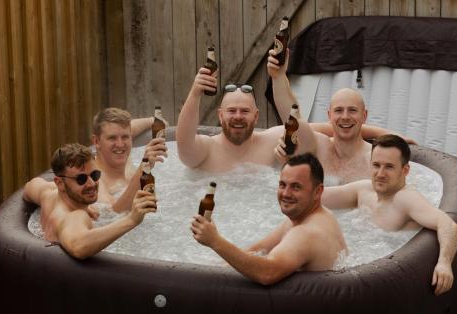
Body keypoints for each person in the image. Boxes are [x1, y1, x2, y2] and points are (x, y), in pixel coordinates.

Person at [321, 134, 457, 295]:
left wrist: (444, 263)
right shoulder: (363, 190)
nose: (380, 173)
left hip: (378, 280)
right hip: (354, 265)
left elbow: (449, 225)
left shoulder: (405, 199)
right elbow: (316, 197)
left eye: (389, 167)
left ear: (405, 170)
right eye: (376, 165)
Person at [191, 153, 347, 285]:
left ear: (318, 192)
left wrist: (215, 241)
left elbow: (267, 273)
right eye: (282, 185)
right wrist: (210, 269)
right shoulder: (314, 216)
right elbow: (259, 249)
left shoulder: (306, 233)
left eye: (296, 187)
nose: (286, 193)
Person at [269, 49, 415, 184]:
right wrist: (279, 76)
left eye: (352, 110)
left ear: (364, 116)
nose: (345, 117)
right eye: (338, 110)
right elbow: (293, 119)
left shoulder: (375, 159)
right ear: (329, 116)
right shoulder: (319, 147)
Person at [23, 143, 157, 260]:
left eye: (95, 175)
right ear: (60, 182)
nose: (92, 183)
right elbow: (78, 246)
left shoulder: (48, 195)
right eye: (81, 179)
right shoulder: (74, 216)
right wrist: (131, 220)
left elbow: (29, 187)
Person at [176, 67, 320, 172]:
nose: (238, 116)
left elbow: (305, 135)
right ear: (220, 115)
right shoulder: (206, 150)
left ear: (256, 116)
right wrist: (195, 93)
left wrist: (279, 76)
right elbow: (184, 143)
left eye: (245, 111)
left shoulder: (271, 142)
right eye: (231, 111)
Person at [92, 107, 167, 212]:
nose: (120, 144)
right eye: (112, 138)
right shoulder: (93, 178)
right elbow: (113, 214)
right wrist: (144, 168)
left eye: (125, 137)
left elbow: (130, 128)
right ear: (96, 141)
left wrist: (155, 120)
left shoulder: (121, 155)